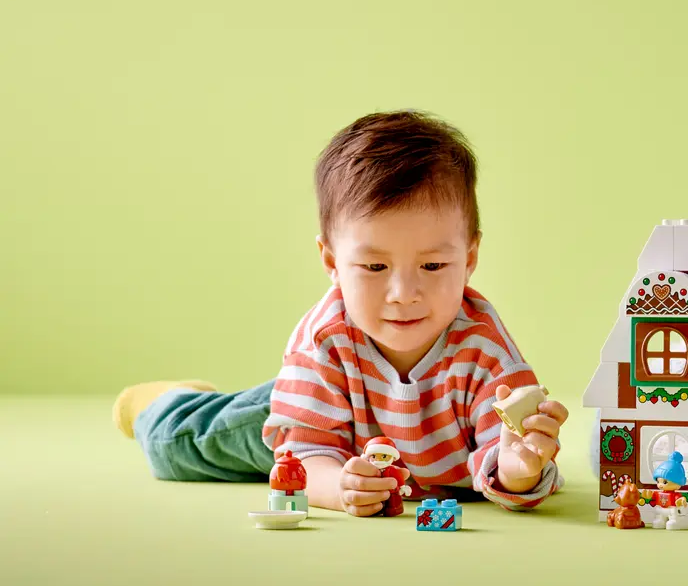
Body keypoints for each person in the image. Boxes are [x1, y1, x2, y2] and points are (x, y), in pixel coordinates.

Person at [113, 111, 568, 515]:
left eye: (432, 266)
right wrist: (337, 487)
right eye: (374, 267)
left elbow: (506, 460)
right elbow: (305, 457)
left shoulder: (487, 353)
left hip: (412, 438)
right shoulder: (325, 339)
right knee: (182, 444)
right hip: (321, 411)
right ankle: (162, 402)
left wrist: (518, 470)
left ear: (469, 258)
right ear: (332, 261)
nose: (403, 294)